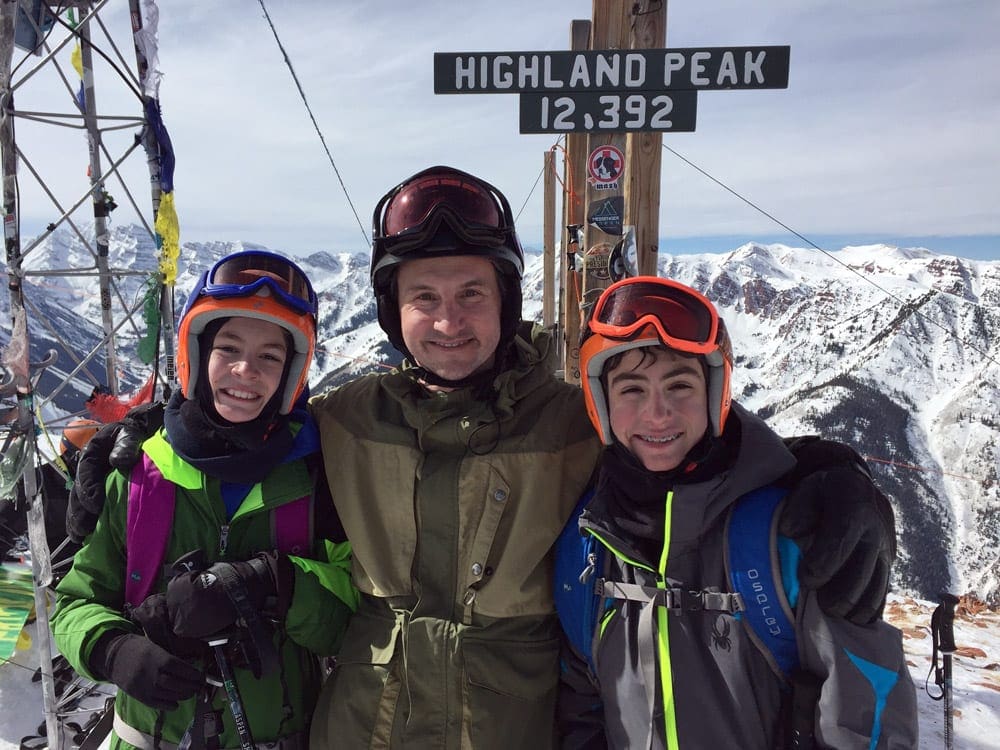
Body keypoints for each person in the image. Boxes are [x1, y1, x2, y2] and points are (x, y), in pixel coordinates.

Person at [68, 167, 898, 749]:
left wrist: (819, 474)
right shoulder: (347, 421)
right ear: (395, 314)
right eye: (424, 298)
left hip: (507, 722)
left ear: (507, 301)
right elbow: (243, 427)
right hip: (363, 725)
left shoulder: (575, 420)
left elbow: (681, 435)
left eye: (473, 294)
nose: (449, 321)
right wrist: (144, 432)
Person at [555, 276, 918, 748]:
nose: (657, 413)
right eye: (631, 390)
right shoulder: (587, 539)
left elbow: (866, 722)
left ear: (715, 393)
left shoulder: (789, 532)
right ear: (600, 404)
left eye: (679, 384)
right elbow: (581, 704)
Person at [51, 251, 356, 750]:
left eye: (270, 357)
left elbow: (354, 619)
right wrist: (114, 650)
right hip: (148, 735)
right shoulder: (139, 475)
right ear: (195, 356)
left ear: (292, 375)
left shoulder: (319, 479)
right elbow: (75, 599)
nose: (245, 370)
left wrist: (275, 585)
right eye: (228, 348)